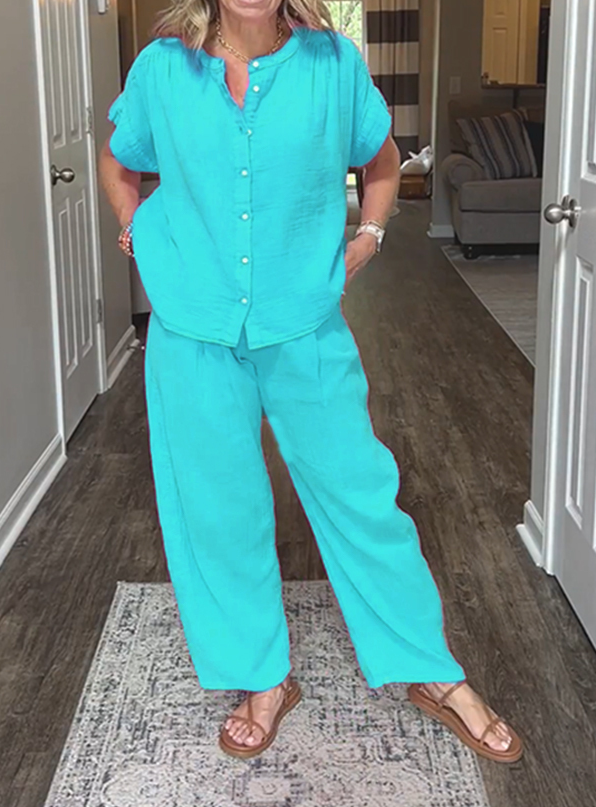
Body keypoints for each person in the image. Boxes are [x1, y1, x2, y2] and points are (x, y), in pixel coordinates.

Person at [99, 0, 523, 765]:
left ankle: (429, 667)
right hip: (193, 327)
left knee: (360, 493)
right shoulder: (162, 68)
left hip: (304, 325)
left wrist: (370, 234)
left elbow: (382, 161)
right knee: (217, 508)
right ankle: (263, 678)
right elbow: (118, 159)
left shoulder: (332, 65)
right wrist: (134, 228)